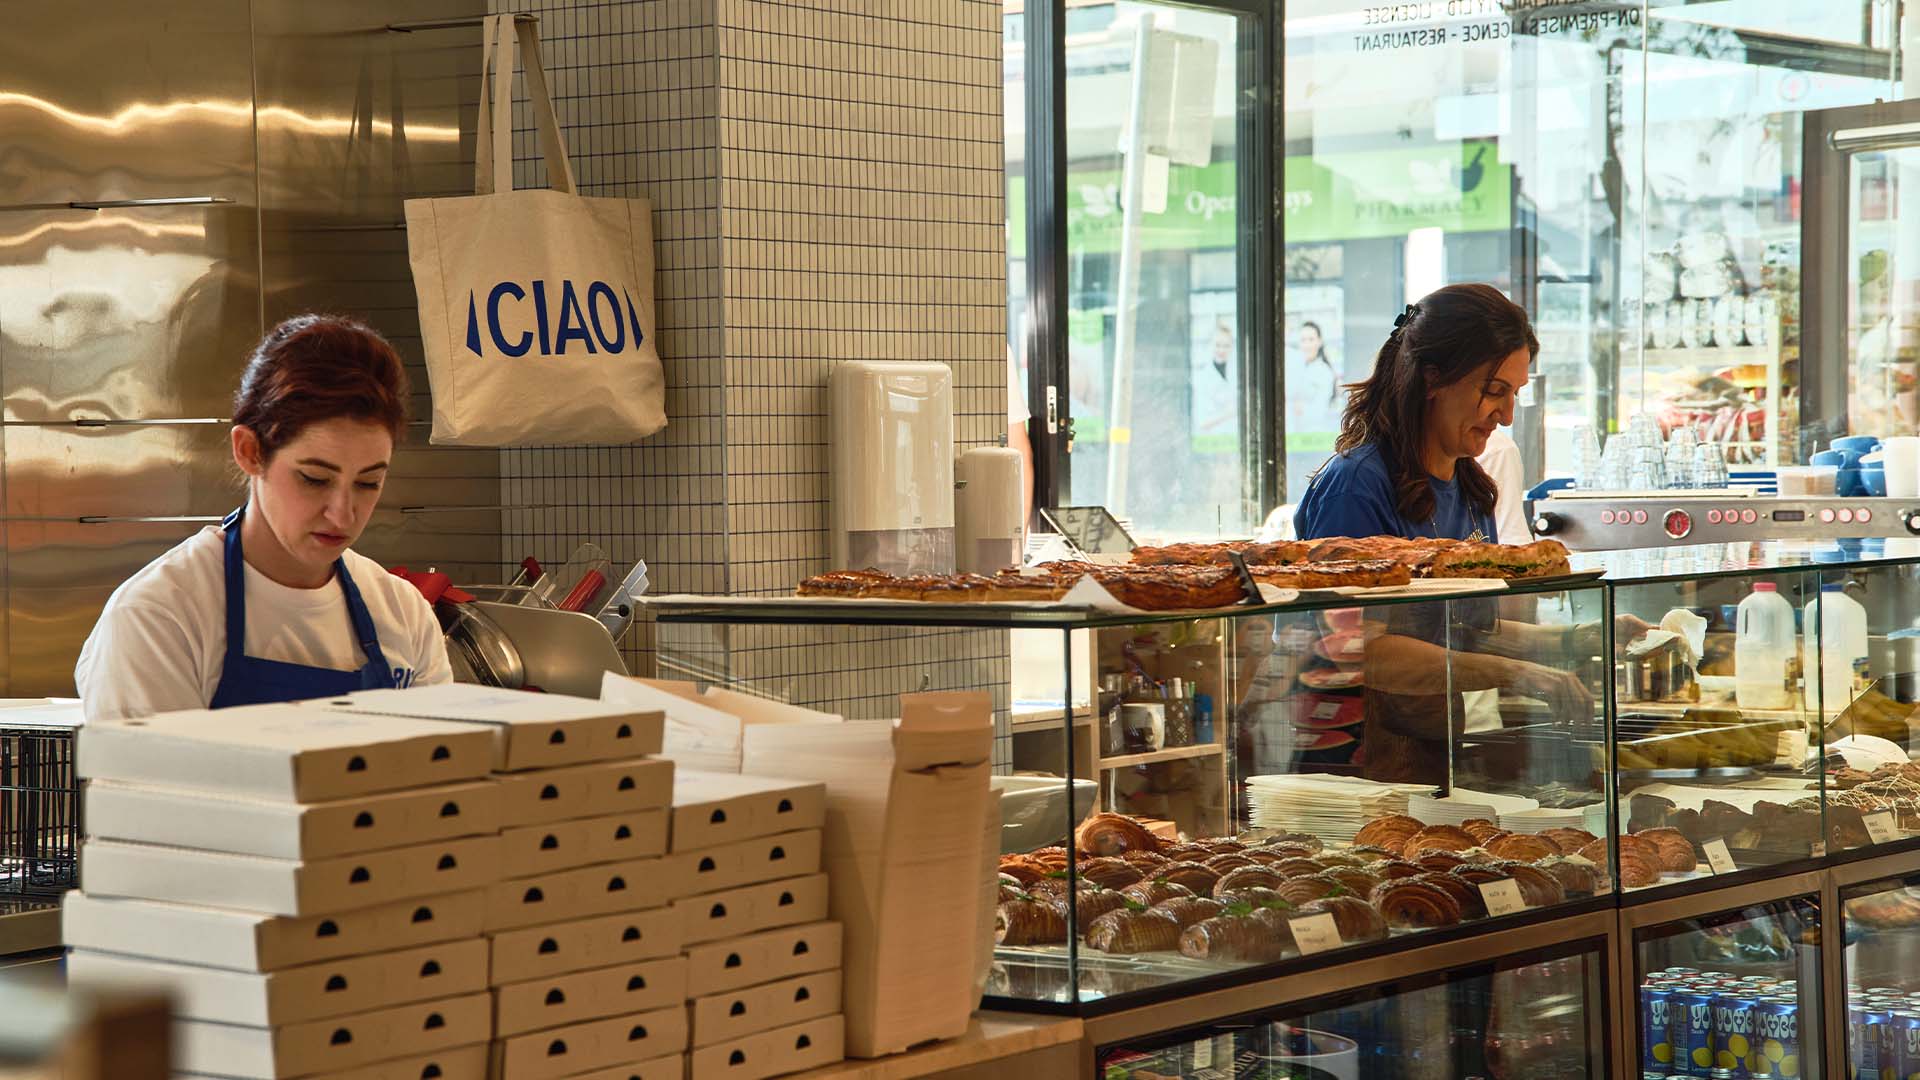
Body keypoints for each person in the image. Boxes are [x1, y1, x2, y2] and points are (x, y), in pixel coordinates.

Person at [1291, 284, 1625, 784]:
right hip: (1347, 762)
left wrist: (1584, 639)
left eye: (1515, 394)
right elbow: (1365, 649)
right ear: (1433, 378)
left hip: (1429, 747)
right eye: (1494, 391)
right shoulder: (1357, 486)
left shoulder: (1470, 486)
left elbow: (1467, 629)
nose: (1507, 415)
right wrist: (1518, 674)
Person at [75, 314, 453, 722]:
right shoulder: (160, 618)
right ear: (250, 451)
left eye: (368, 483)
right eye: (314, 478)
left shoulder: (403, 615)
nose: (343, 513)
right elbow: (147, 784)